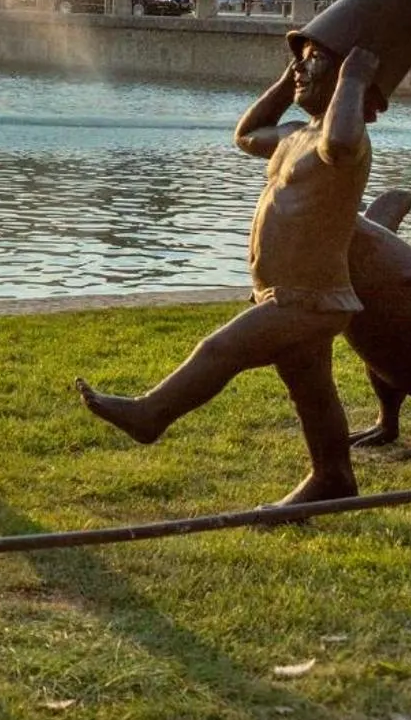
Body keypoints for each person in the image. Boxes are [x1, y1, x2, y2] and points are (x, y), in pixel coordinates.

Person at [78, 39, 381, 505]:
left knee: (220, 349)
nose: (300, 70)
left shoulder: (345, 142)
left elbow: (338, 141)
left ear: (345, 76)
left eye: (312, 62)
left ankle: (150, 414)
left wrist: (355, 79)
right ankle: (333, 476)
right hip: (283, 292)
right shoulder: (295, 135)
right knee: (311, 391)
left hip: (309, 296)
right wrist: (286, 82)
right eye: (296, 63)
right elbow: (247, 133)